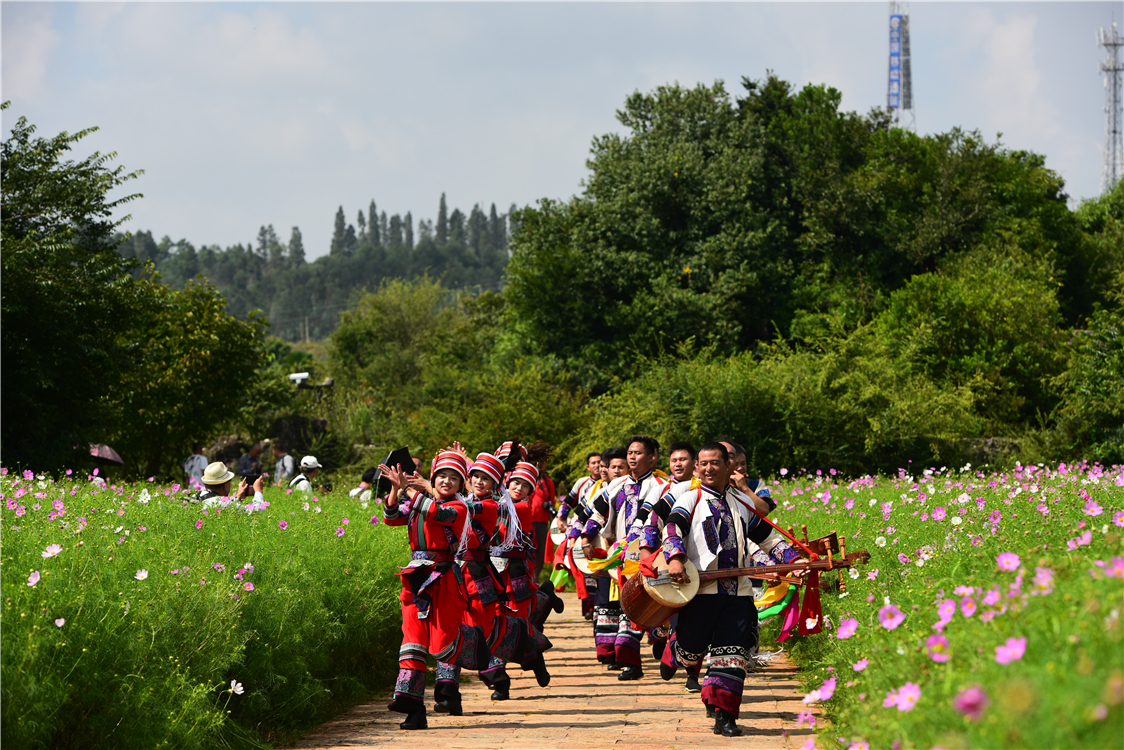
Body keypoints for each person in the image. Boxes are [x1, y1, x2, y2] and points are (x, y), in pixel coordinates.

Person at [658, 442, 806, 737]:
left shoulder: (741, 502)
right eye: (704, 463)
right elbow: (672, 529)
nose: (709, 468)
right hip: (699, 591)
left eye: (715, 463)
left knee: (732, 654)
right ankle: (676, 648)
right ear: (697, 468)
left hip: (738, 593)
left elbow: (767, 539)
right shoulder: (689, 499)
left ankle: (724, 714)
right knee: (691, 650)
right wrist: (674, 557)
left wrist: (794, 559)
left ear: (729, 466)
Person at [381, 451, 491, 731]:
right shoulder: (417, 504)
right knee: (412, 644)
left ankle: (469, 641)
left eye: (454, 478)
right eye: (442, 476)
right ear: (433, 478)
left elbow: (435, 512)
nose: (447, 481)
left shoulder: (460, 508)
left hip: (443, 579)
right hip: (415, 578)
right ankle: (414, 709)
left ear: (461, 484)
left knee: (442, 644)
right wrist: (396, 488)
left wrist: (412, 489)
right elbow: (392, 516)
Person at [580, 436, 668, 680]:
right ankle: (631, 661)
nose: (632, 456)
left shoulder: (662, 486)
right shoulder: (616, 485)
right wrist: (586, 537)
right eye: (630, 452)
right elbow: (597, 512)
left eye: (638, 453)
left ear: (652, 457)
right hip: (621, 556)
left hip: (653, 556)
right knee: (628, 607)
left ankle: (660, 637)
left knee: (657, 605)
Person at [193, 461, 265, 505]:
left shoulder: (200, 494)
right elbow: (255, 510)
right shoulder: (219, 503)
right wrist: (258, 491)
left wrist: (237, 498)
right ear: (225, 485)